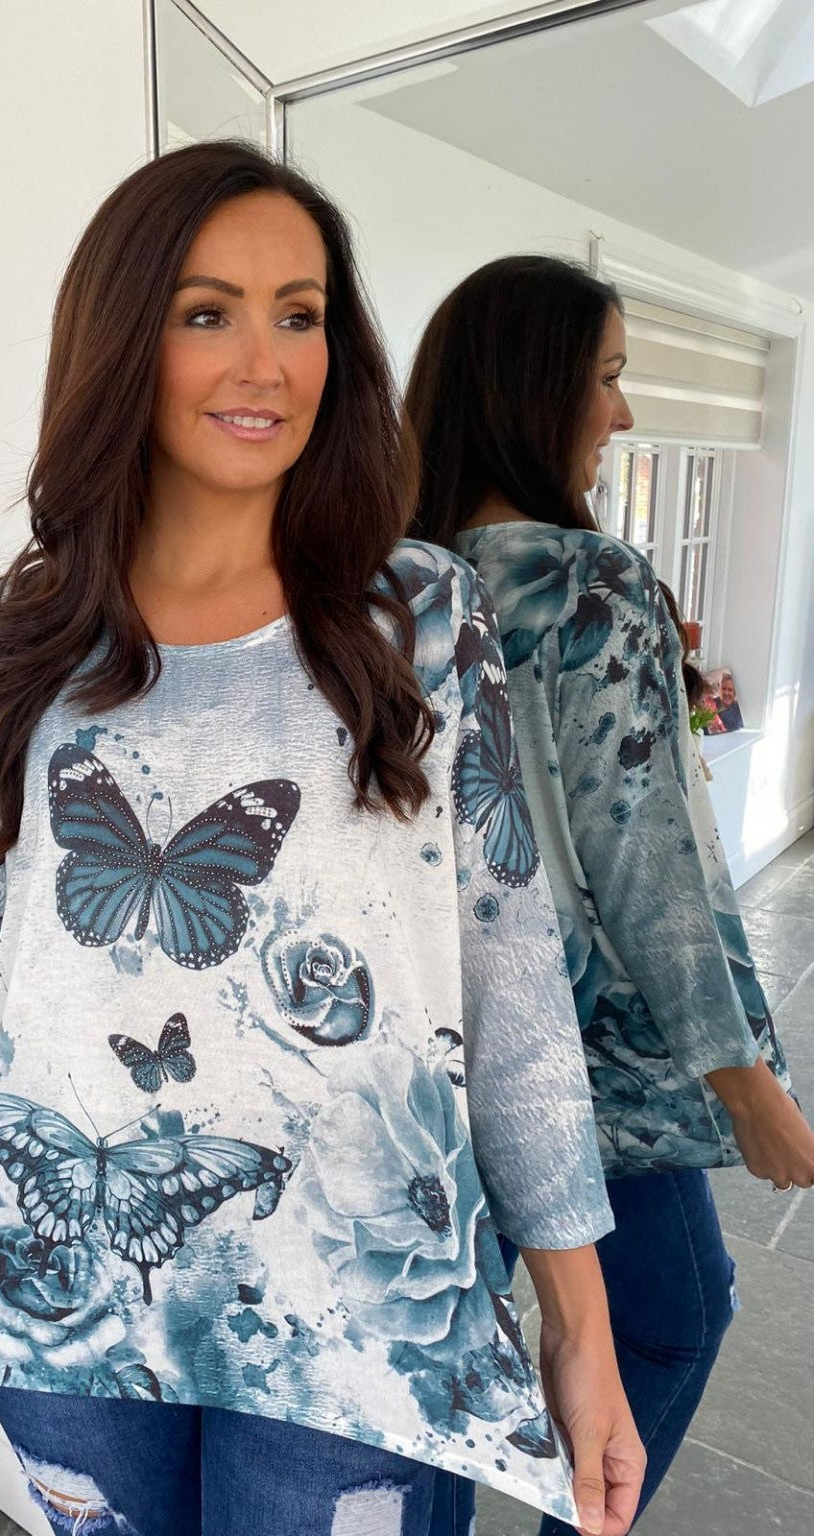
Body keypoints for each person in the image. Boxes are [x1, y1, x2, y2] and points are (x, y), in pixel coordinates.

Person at [0, 150, 645, 1536]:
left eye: (301, 313)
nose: (265, 362)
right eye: (208, 312)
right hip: (59, 1280)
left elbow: (512, 987)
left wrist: (580, 1325)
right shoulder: (16, 635)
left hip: (353, 1312)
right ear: (123, 340)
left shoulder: (421, 620)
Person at [405, 253, 814, 1535]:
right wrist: (747, 1081)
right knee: (675, 1319)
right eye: (609, 378)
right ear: (532, 392)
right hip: (586, 1058)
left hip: (422, 1048)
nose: (623, 413)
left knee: (444, 1360)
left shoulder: (383, 578)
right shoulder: (591, 582)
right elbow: (647, 862)